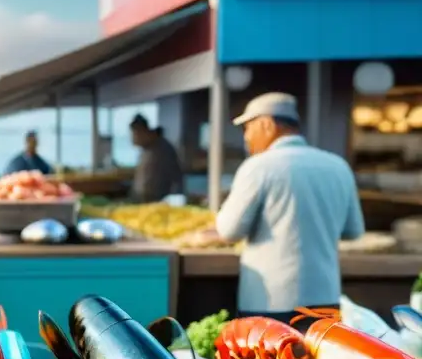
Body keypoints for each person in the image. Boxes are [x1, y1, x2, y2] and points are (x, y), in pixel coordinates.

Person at [215, 92, 365, 320]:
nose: (246, 137)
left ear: (266, 124)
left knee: (268, 357)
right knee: (320, 356)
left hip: (270, 303)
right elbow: (353, 231)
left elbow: (228, 230)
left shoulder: (258, 167)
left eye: (248, 128)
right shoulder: (338, 166)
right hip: (326, 301)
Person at [130, 114, 184, 202]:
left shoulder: (163, 149)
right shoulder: (146, 150)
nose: (132, 139)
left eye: (134, 134)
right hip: (143, 201)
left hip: (158, 202)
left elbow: (176, 179)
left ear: (143, 131)